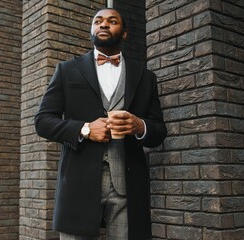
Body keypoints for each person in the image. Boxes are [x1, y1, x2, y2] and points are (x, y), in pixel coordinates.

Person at [35, 8, 167, 240]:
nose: (104, 25)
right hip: (78, 182)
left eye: (112, 21)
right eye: (98, 21)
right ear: (92, 29)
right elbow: (43, 121)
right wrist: (84, 129)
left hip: (128, 184)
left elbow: (159, 131)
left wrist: (139, 126)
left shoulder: (145, 77)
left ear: (124, 33)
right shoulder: (66, 70)